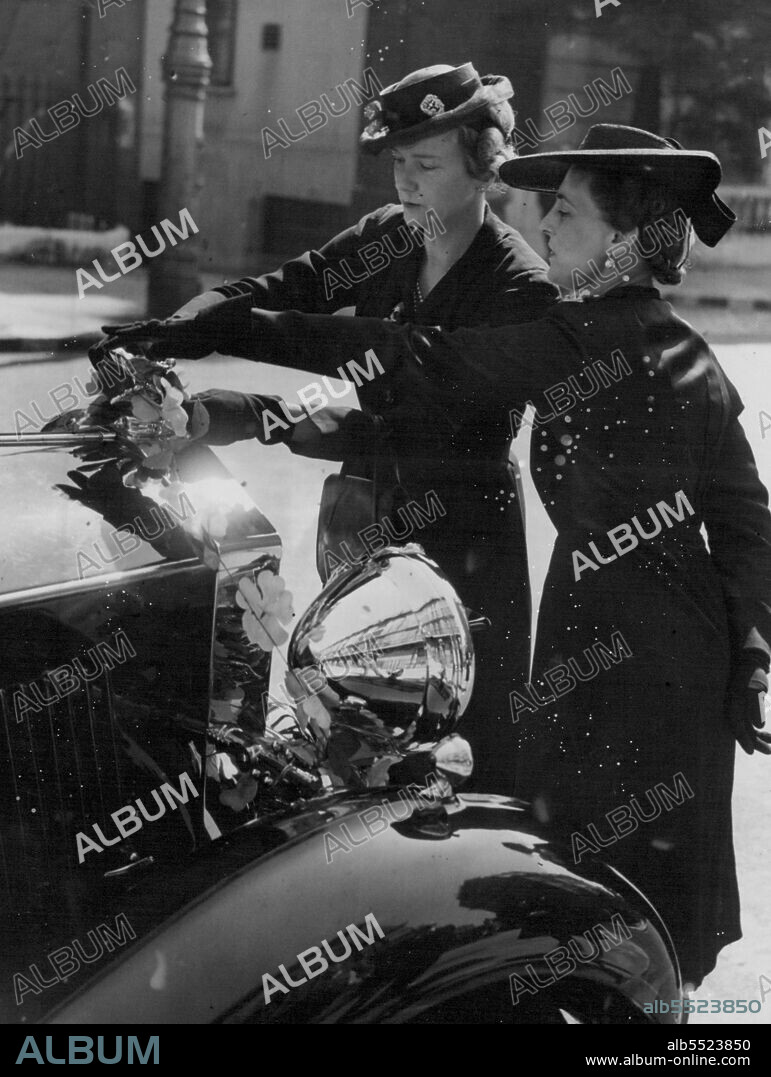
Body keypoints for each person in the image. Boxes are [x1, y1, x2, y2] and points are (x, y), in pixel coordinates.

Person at [104, 124, 771, 988]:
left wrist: (236, 330)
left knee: (594, 882)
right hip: (675, 644)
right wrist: (749, 648)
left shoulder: (579, 337)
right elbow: (745, 519)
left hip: (616, 647)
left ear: (622, 241)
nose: (544, 226)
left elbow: (414, 357)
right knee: (628, 888)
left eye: (566, 213)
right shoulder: (685, 348)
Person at [100, 63, 559, 794]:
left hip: (463, 539)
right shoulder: (388, 237)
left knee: (454, 750)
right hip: (368, 524)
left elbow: (394, 378)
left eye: (427, 165)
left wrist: (242, 378)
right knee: (350, 734)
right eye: (398, 163)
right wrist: (193, 318)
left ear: (483, 166)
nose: (406, 183)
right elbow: (294, 285)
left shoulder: (519, 286)